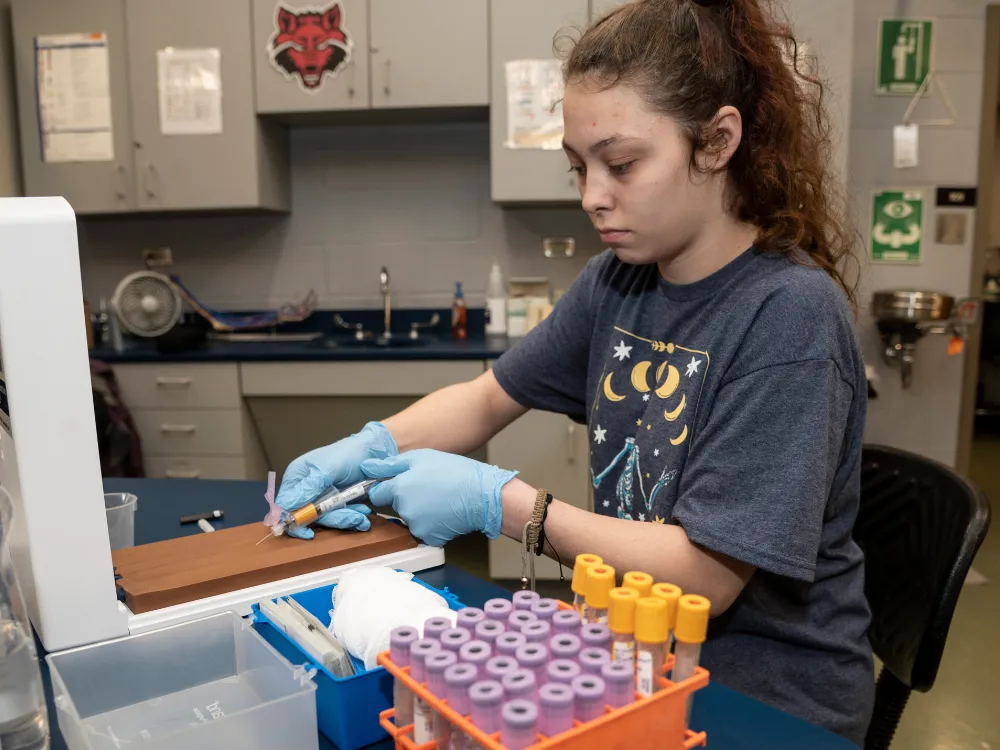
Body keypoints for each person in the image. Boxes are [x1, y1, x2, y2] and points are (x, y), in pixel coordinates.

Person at [276, 0, 874, 742]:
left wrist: (504, 504)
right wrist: (362, 451)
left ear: (717, 140)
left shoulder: (788, 316)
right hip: (634, 661)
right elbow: (486, 399)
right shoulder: (617, 282)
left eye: (621, 164)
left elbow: (706, 579)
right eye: (579, 167)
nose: (593, 195)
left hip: (768, 697)